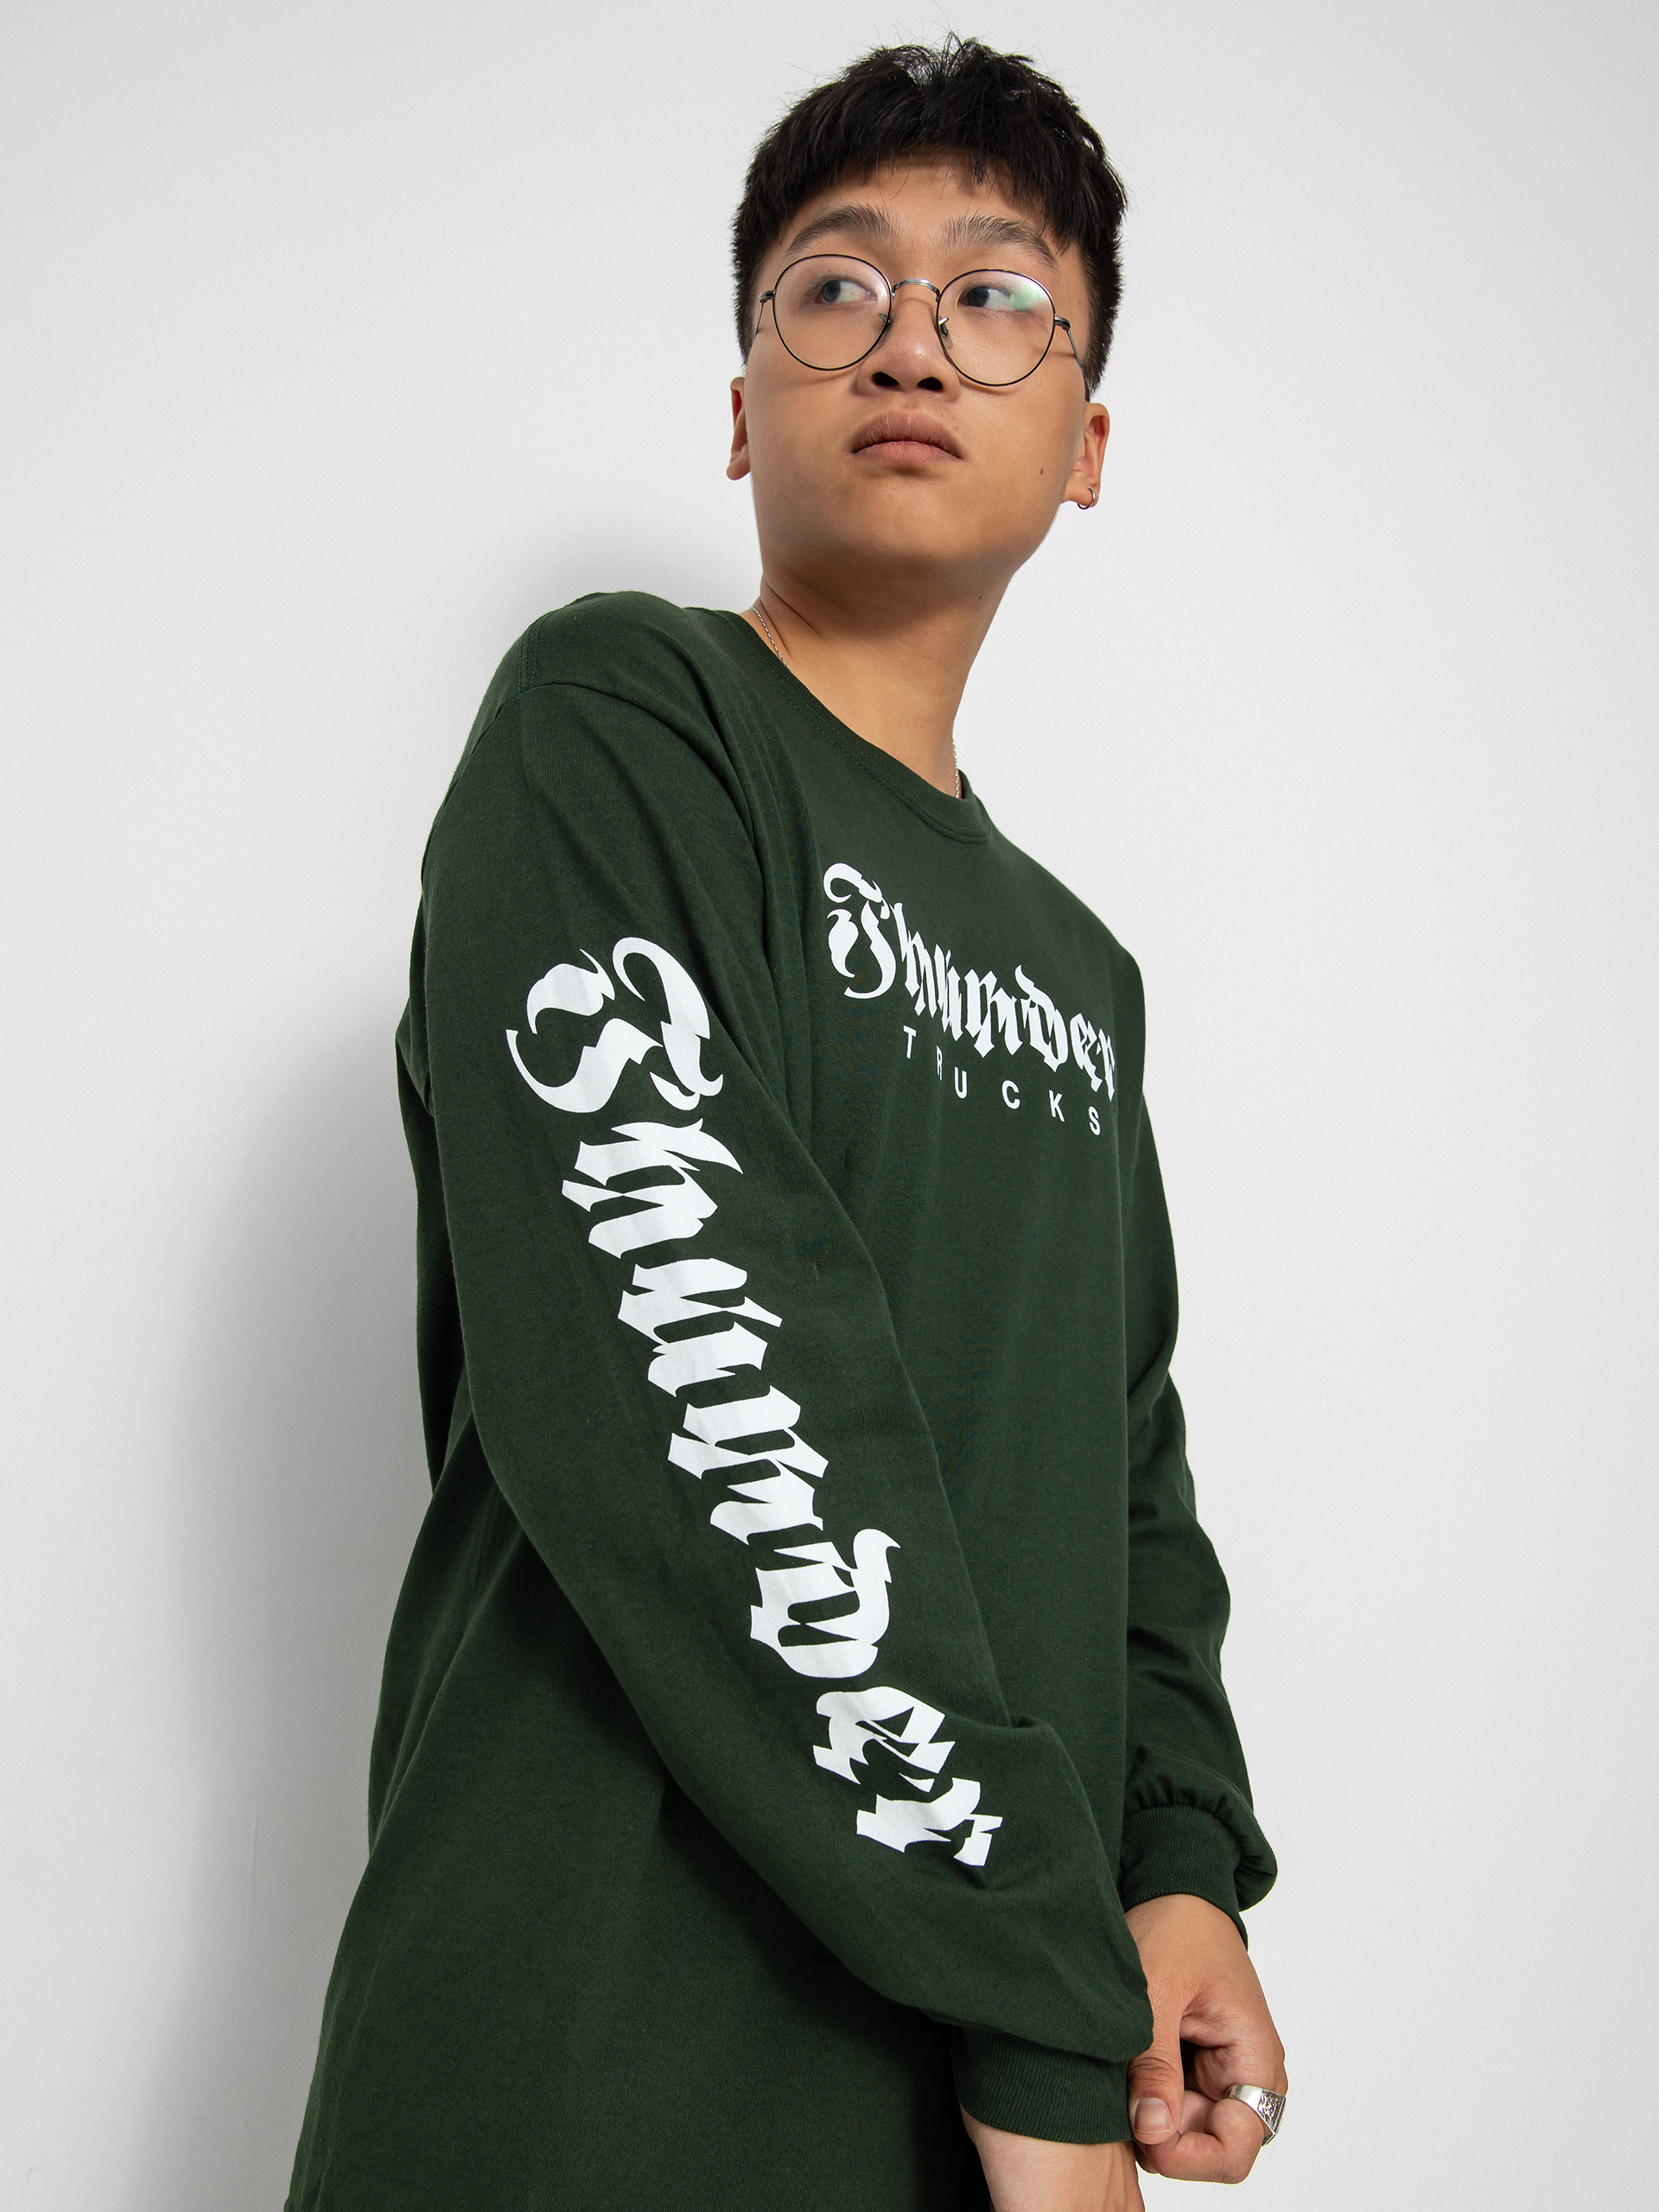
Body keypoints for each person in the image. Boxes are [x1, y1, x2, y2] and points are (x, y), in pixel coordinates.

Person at [287, 35, 1287, 2212]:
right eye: (833, 286)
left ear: (1088, 442)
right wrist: (1046, 2013)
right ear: (743, 404)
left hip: (963, 2093)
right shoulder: (623, 726)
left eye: (995, 295)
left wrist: (1175, 1864)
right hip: (584, 2062)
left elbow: (1123, 1459)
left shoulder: (1081, 971)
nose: (910, 337)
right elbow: (722, 1391)